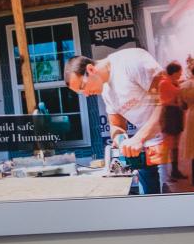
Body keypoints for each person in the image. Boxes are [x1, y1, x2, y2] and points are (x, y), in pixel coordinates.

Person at [65, 48, 165, 195]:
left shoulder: (131, 61)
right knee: (150, 207)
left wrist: (139, 138)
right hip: (148, 152)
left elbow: (169, 101)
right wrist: (120, 138)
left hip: (176, 143)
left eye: (82, 87)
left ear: (91, 69)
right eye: (80, 93)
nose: (85, 94)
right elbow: (116, 125)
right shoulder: (106, 91)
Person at [158, 62, 186, 185]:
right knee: (167, 145)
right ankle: (165, 175)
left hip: (176, 114)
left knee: (175, 145)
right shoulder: (164, 83)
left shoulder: (175, 83)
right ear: (174, 72)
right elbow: (176, 94)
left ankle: (175, 170)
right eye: (179, 71)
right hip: (169, 114)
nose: (181, 74)